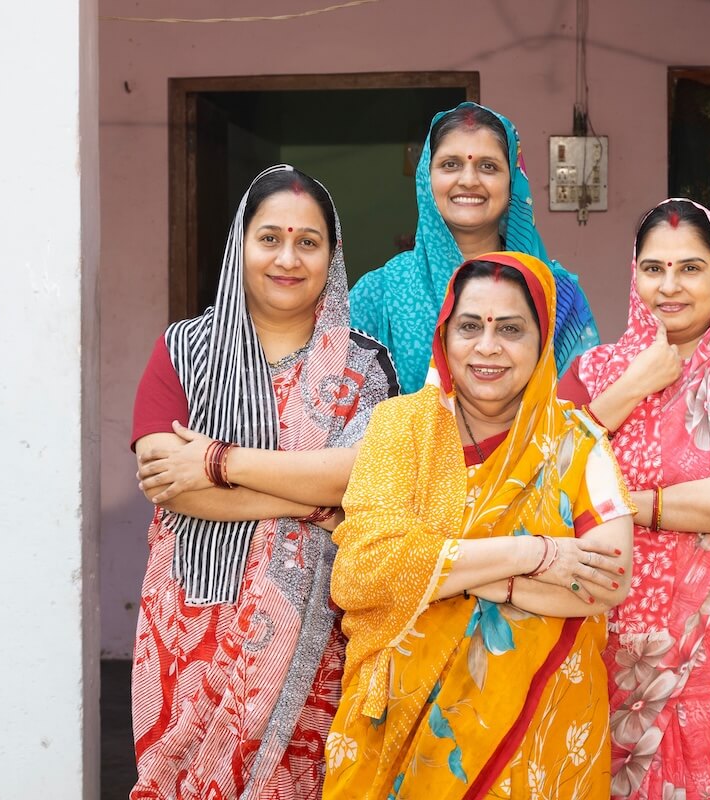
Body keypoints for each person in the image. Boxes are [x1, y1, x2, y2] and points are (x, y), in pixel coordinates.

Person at [128, 165, 398, 800]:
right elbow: (172, 481)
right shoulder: (182, 351)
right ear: (239, 245)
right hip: (188, 633)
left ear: (333, 257)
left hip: (319, 635)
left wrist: (220, 462)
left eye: (309, 242)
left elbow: (362, 475)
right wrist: (309, 497)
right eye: (270, 237)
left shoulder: (365, 364)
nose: (288, 258)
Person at [322, 253, 634, 799]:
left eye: (511, 329)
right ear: (445, 336)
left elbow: (607, 579)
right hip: (402, 728)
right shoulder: (401, 429)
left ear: (541, 343)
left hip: (542, 733)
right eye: (470, 326)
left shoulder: (577, 442)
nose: (487, 347)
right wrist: (535, 556)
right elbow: (362, 574)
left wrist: (470, 577)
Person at [559, 199, 710, 799]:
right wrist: (634, 383)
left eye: (690, 268)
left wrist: (621, 504)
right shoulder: (592, 372)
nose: (670, 286)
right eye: (653, 268)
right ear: (634, 275)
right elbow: (542, 473)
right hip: (600, 624)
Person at [348, 101, 599, 394]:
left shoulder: (557, 293)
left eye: (488, 166)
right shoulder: (379, 293)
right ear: (426, 179)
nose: (468, 180)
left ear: (512, 182)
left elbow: (581, 409)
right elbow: (343, 412)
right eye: (450, 164)